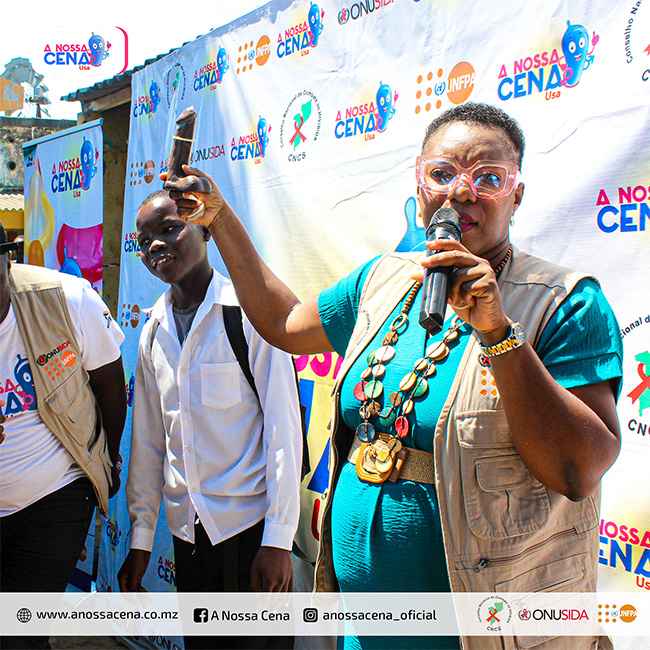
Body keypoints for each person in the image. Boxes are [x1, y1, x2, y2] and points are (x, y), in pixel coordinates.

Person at [163, 103, 622, 650]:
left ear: (516, 196)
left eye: (489, 179)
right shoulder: (385, 279)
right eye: (443, 174)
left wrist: (499, 333)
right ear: (420, 183)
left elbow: (577, 469)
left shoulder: (565, 304)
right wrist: (218, 218)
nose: (461, 193)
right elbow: (285, 323)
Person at [117, 191, 302, 650]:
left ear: (203, 227)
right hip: (190, 538)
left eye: (169, 228)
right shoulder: (153, 330)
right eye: (144, 240)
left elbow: (283, 428)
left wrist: (278, 539)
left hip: (250, 533)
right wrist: (141, 537)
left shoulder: (250, 314)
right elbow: (148, 442)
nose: (156, 244)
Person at [0, 222, 126, 650]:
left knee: (19, 635)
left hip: (54, 495)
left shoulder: (64, 299)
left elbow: (110, 384)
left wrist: (105, 458)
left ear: (8, 259)